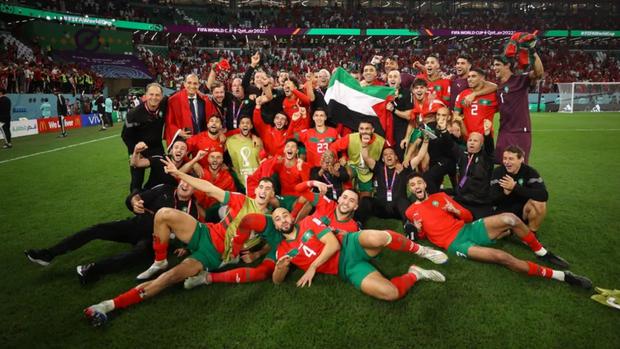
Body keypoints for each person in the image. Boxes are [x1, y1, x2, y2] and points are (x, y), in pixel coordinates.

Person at [83, 167, 279, 326]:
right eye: (261, 186)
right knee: (163, 213)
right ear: (255, 189)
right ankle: (160, 260)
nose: (263, 190)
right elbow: (208, 187)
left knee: (167, 279)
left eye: (267, 188)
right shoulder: (242, 199)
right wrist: (178, 173)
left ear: (272, 195)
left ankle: (107, 306)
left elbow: (277, 244)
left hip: (211, 256)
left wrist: (258, 253)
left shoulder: (271, 221)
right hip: (205, 232)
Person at [404, 173, 591, 289]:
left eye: (419, 183)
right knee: (502, 257)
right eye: (413, 185)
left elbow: (468, 216)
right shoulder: (410, 211)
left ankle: (541, 252)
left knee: (510, 218)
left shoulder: (441, 196)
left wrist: (456, 211)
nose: (417, 187)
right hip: (456, 243)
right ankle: (562, 276)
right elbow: (423, 236)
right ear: (410, 190)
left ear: (425, 184)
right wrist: (419, 231)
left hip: (467, 228)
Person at [231, 208, 447, 302]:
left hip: (349, 245)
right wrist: (280, 268)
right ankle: (416, 273)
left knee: (379, 237)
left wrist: (313, 267)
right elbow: (277, 282)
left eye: (285, 215)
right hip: (347, 269)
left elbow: (333, 244)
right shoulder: (282, 251)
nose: (283, 220)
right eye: (278, 220)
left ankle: (421, 250)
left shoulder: (307, 222)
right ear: (276, 227)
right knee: (390, 293)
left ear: (291, 217)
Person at [24, 181, 200, 285]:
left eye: (191, 184)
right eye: (184, 181)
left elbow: (190, 234)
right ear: (179, 181)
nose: (186, 185)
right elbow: (136, 196)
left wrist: (185, 247)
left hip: (150, 239)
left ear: (195, 188)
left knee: (137, 254)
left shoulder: (192, 211)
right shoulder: (164, 190)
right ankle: (48, 254)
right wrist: (134, 202)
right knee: (97, 229)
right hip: (133, 225)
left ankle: (92, 270)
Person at [492, 53, 544, 163]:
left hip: (519, 131)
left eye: (497, 65)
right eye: (494, 65)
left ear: (507, 65)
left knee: (518, 166)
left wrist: (532, 51)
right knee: (502, 164)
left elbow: (539, 73)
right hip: (504, 132)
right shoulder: (498, 86)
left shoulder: (520, 79)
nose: (494, 68)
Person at [490, 145, 548, 233]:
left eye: (511, 159)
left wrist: (515, 187)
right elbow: (491, 200)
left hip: (523, 211)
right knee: (496, 235)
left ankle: (531, 233)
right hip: (503, 210)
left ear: (521, 159)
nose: (506, 162)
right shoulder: (498, 172)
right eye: (505, 158)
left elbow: (543, 195)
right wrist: (505, 194)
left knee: (540, 204)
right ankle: (511, 230)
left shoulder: (530, 172)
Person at [121, 83, 168, 193]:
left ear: (161, 97)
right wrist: (136, 151)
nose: (154, 97)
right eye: (151, 94)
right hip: (137, 148)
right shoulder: (134, 114)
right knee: (137, 180)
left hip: (156, 147)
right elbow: (125, 136)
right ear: (145, 96)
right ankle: (135, 201)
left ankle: (156, 196)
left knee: (163, 174)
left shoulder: (164, 104)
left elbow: (179, 94)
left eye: (157, 95)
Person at [329, 121, 385, 198]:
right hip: (352, 166)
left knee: (365, 200)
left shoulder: (381, 141)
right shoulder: (350, 137)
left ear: (372, 130)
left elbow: (389, 153)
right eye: (361, 128)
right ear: (358, 129)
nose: (364, 131)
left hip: (368, 171)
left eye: (367, 129)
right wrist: (335, 161)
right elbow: (333, 147)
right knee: (346, 176)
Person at [357, 147, 411, 225]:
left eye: (391, 153)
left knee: (403, 201)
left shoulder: (403, 168)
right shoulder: (379, 168)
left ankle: (408, 225)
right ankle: (359, 224)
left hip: (398, 209)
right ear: (383, 159)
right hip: (382, 208)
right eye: (385, 155)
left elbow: (419, 157)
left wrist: (425, 141)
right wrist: (365, 143)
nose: (388, 156)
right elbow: (365, 157)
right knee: (365, 200)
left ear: (396, 157)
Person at [453, 120, 495, 219]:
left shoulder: (486, 158)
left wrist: (487, 134)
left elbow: (489, 148)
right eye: (470, 140)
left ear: (481, 145)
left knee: (481, 228)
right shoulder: (463, 155)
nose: (471, 143)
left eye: (475, 141)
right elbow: (451, 144)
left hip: (480, 202)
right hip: (463, 199)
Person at [165, 74, 217, 145]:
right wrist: (178, 131)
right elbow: (169, 121)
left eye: (195, 83)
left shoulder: (205, 100)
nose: (192, 86)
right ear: (184, 84)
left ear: (199, 85)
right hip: (183, 141)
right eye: (189, 83)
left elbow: (212, 118)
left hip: (202, 140)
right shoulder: (174, 100)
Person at [453, 68, 498, 137]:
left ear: (482, 78)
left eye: (473, 76)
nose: (469, 79)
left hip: (485, 137)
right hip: (467, 138)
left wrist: (475, 94)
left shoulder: (493, 95)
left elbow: (496, 87)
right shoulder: (462, 94)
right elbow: (456, 114)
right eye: (468, 77)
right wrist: (456, 123)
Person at [225, 114, 261, 192]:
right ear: (239, 126)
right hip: (240, 182)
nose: (245, 125)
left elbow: (262, 160)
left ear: (251, 126)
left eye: (247, 123)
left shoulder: (257, 141)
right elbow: (218, 148)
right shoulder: (230, 140)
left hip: (256, 181)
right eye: (242, 123)